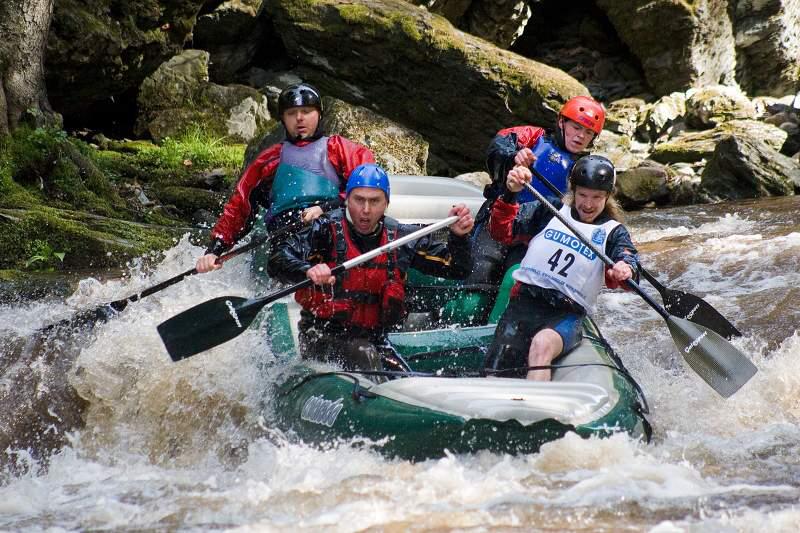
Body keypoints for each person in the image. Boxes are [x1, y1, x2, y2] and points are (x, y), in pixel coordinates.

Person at [268, 163, 475, 373]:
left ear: (386, 203)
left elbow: (457, 269)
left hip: (375, 339)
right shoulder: (323, 231)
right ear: (347, 200)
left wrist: (459, 238)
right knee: (364, 353)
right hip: (321, 336)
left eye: (375, 201)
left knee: (402, 375)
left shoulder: (401, 238)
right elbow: (277, 260)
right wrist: (307, 270)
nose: (366, 210)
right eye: (359, 200)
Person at [484, 155, 639, 381]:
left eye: (596, 197)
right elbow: (501, 231)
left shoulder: (613, 232)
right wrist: (511, 193)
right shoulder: (551, 210)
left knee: (541, 344)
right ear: (573, 191)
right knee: (495, 373)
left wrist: (625, 268)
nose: (588, 204)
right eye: (583, 195)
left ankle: (536, 411)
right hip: (523, 304)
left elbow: (627, 262)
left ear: (607, 197)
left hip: (565, 315)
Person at [196, 83, 376, 273]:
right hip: (286, 237)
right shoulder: (269, 160)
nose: (299, 118)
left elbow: (368, 187)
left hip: (331, 227)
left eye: (306, 111)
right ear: (282, 118)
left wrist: (324, 208)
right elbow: (240, 205)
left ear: (319, 114)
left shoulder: (340, 149)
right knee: (279, 262)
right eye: (291, 113)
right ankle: (302, 278)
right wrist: (215, 250)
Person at [459, 96, 606, 324]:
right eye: (576, 127)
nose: (581, 136)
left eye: (588, 133)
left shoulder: (583, 170)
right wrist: (512, 156)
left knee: (513, 282)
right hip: (498, 220)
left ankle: (496, 333)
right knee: (472, 295)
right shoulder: (533, 136)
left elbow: (588, 209)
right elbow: (497, 146)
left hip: (533, 235)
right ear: (561, 123)